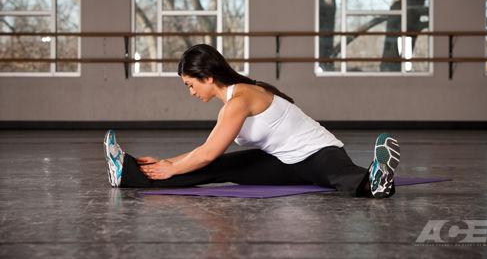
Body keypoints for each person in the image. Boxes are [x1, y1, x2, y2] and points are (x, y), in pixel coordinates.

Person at [103, 44, 401, 198]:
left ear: (208, 77)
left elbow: (207, 152)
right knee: (216, 167)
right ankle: (127, 172)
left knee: (340, 176)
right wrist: (162, 164)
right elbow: (207, 151)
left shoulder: (240, 99)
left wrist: (171, 165)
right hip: (282, 162)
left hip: (319, 153)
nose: (191, 92)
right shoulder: (231, 105)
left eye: (191, 84)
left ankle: (375, 181)